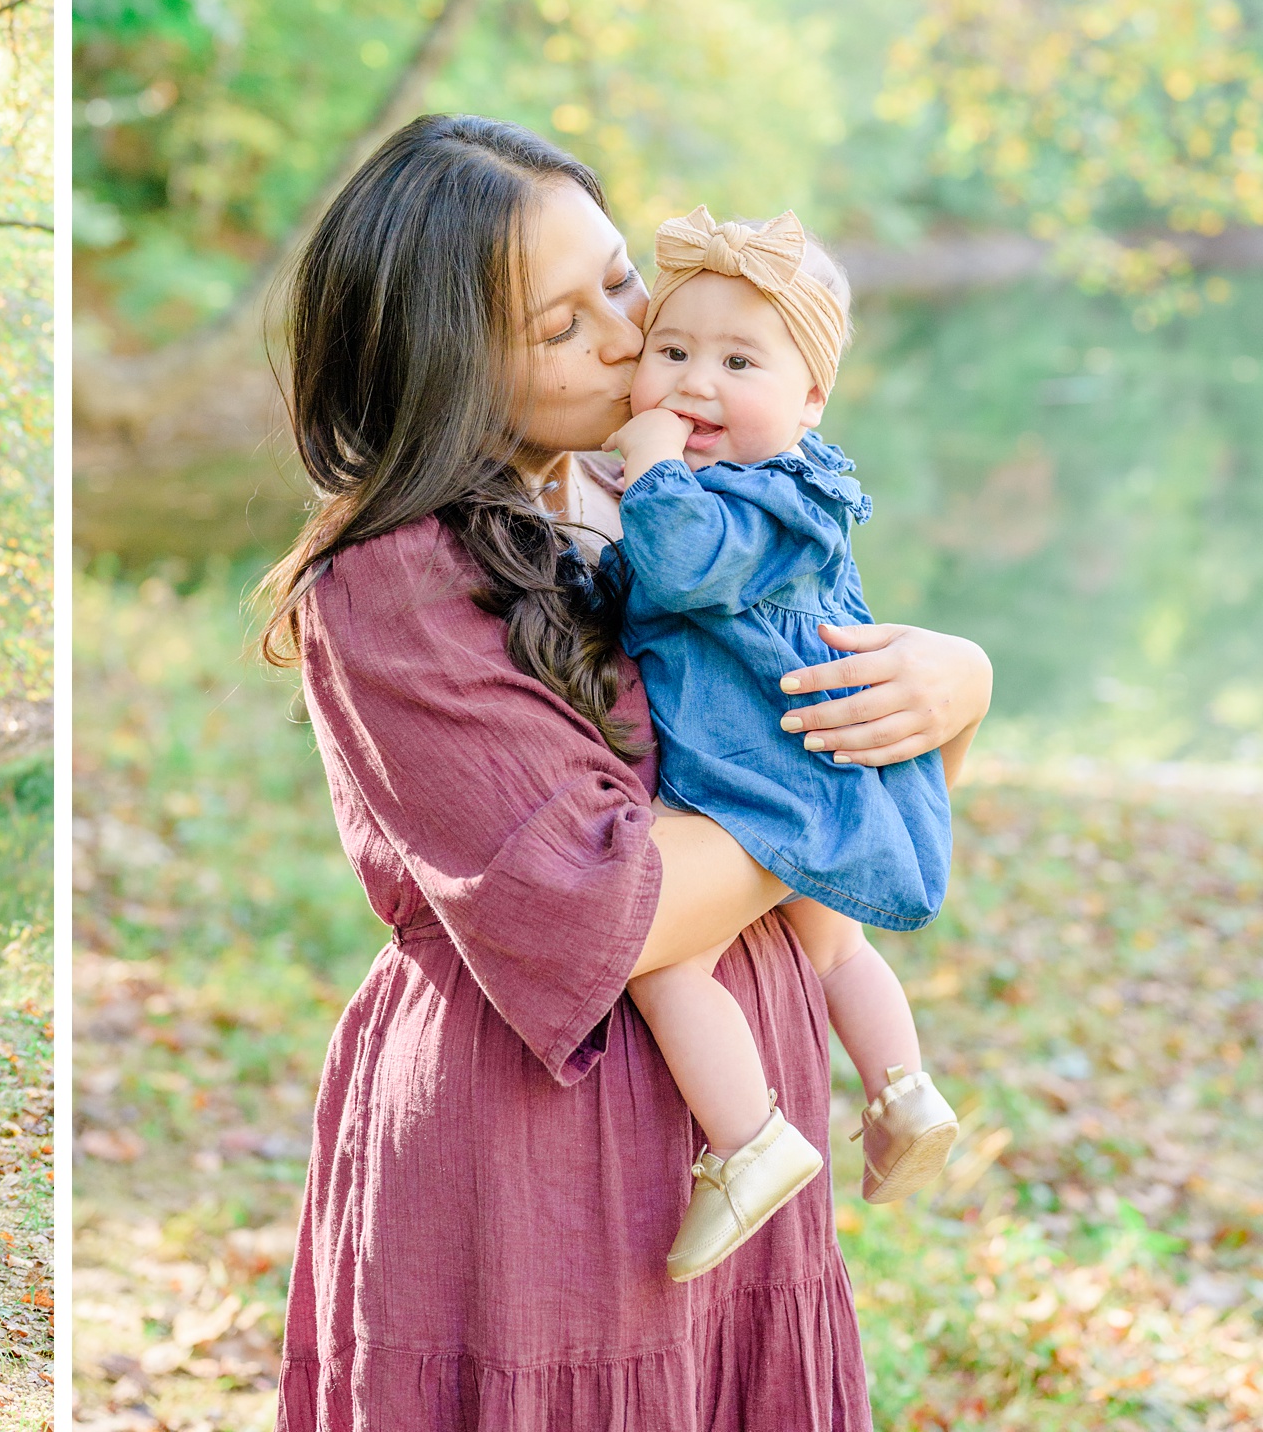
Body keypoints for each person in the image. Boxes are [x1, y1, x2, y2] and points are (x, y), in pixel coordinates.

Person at [258, 116, 992, 1428]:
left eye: (616, 278)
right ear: (446, 369)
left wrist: (952, 686)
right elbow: (611, 903)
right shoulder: (394, 581)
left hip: (740, 1097)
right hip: (542, 1139)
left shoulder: (650, 493)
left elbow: (824, 702)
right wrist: (822, 782)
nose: (625, 330)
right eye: (563, 324)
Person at [605, 206, 961, 1283]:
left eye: (737, 361)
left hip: (758, 779)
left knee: (667, 965)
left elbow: (674, 568)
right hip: (796, 766)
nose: (693, 384)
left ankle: (749, 1139)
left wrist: (653, 468)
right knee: (835, 945)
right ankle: (902, 1092)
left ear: (810, 400)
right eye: (672, 352)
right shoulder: (767, 488)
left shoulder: (767, 499)